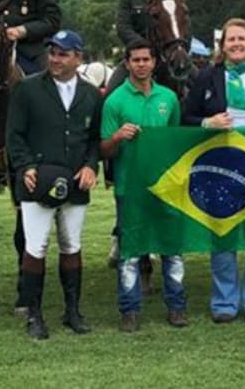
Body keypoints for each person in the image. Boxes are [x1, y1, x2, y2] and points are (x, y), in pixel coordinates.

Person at [182, 18, 245, 323]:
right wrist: (207, 123)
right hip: (219, 167)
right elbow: (186, 117)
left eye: (241, 38)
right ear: (222, 45)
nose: (236, 44)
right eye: (230, 39)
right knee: (223, 236)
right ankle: (224, 302)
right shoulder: (206, 78)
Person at [6, 30, 102, 340]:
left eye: (63, 54)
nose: (56, 59)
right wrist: (24, 166)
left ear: (78, 58)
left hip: (75, 181)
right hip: (38, 180)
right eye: (53, 52)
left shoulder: (90, 94)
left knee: (71, 245)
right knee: (36, 247)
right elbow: (14, 135)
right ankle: (34, 314)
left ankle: (72, 310)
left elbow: (94, 140)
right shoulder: (27, 89)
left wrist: (91, 165)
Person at [101, 38, 187, 332]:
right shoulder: (114, 101)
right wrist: (116, 138)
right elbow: (104, 149)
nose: (141, 64)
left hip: (165, 185)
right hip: (130, 186)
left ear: (154, 63)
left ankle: (177, 306)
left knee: (172, 248)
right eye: (135, 60)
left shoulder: (169, 98)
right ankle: (129, 309)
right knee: (130, 251)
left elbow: (176, 140)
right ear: (127, 63)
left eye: (146, 59)